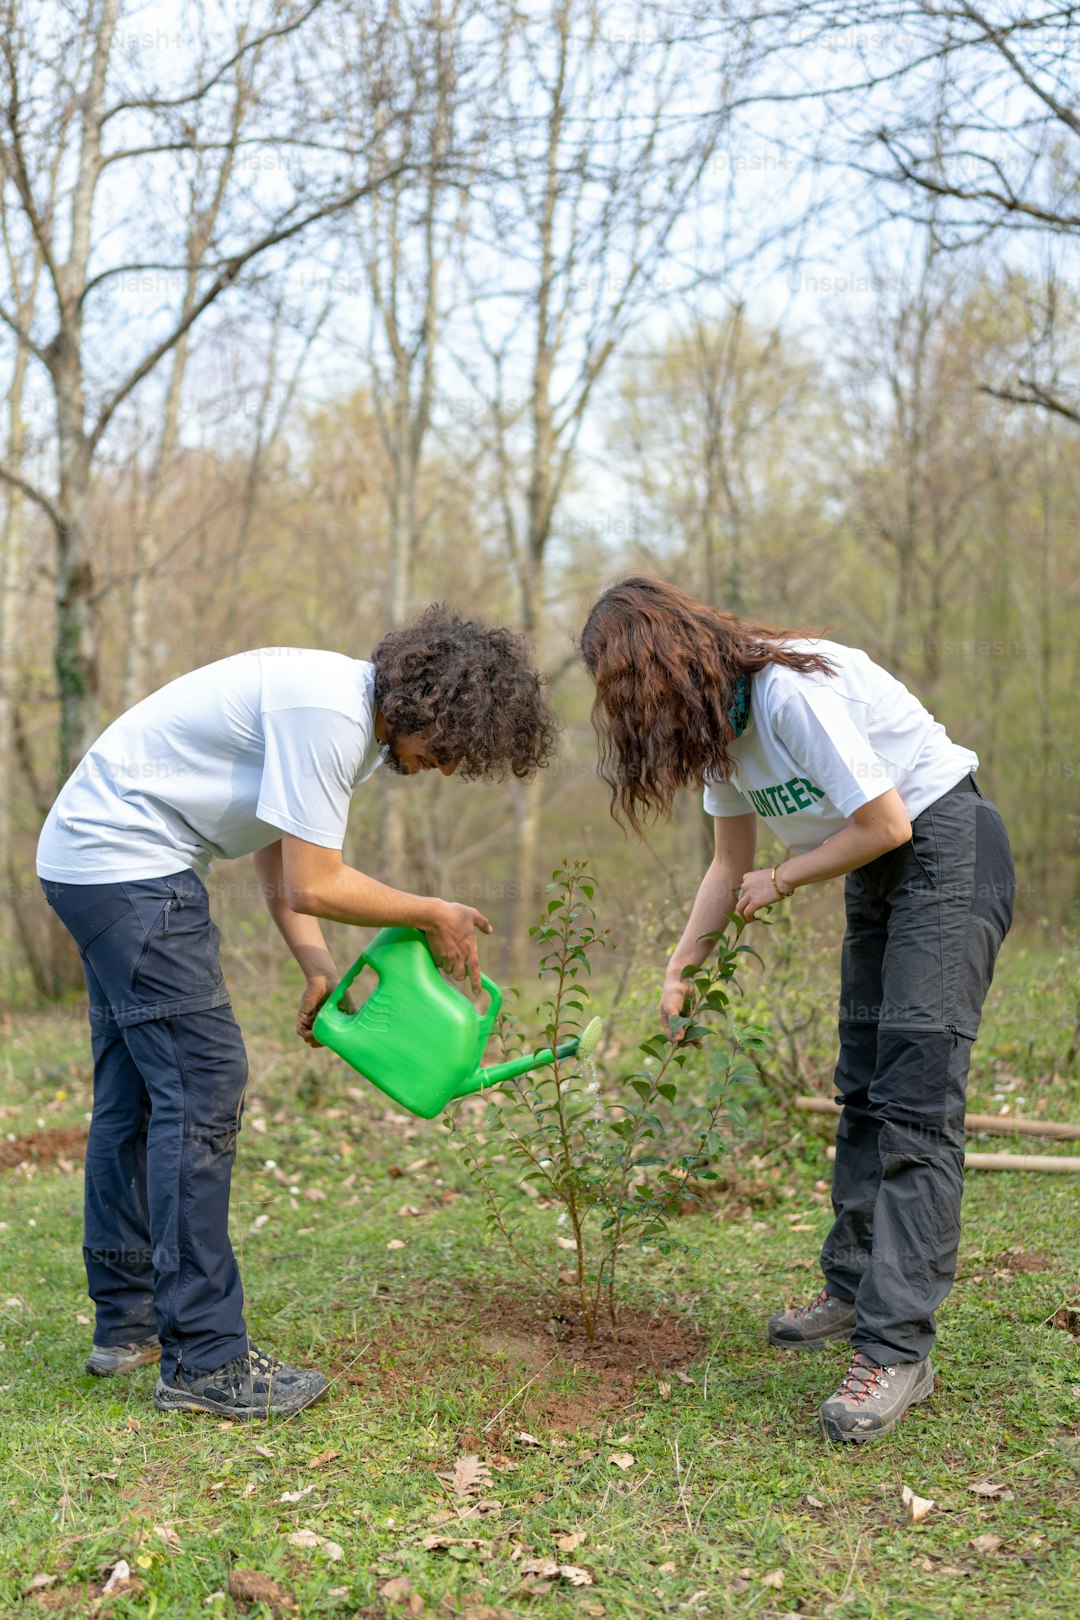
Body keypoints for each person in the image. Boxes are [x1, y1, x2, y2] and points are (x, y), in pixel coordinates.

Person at [38, 605, 557, 1420]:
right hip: (132, 870)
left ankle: (128, 1321)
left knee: (140, 1093)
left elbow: (285, 861)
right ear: (432, 704)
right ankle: (206, 1359)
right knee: (204, 1084)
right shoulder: (328, 715)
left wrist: (315, 961)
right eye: (451, 749)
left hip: (90, 862)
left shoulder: (337, 707)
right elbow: (319, 879)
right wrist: (432, 909)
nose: (447, 767)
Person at [579, 576, 1014, 1443]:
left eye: (632, 697)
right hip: (877, 871)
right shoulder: (723, 737)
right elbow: (724, 865)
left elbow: (887, 822)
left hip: (947, 849)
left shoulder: (786, 696)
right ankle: (853, 1286)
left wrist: (782, 880)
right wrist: (681, 966)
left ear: (670, 668)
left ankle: (896, 1350)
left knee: (916, 1103)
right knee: (861, 1087)